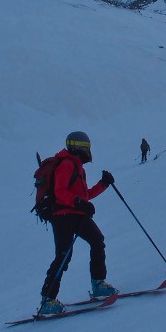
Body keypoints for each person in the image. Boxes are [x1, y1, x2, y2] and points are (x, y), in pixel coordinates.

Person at [38, 131, 118, 315]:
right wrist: (80, 203)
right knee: (64, 255)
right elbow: (60, 192)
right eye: (86, 147)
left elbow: (84, 195)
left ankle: (98, 283)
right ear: (78, 147)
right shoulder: (66, 164)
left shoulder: (78, 167)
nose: (88, 151)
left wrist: (103, 184)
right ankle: (47, 299)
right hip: (63, 216)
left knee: (97, 240)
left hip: (77, 214)